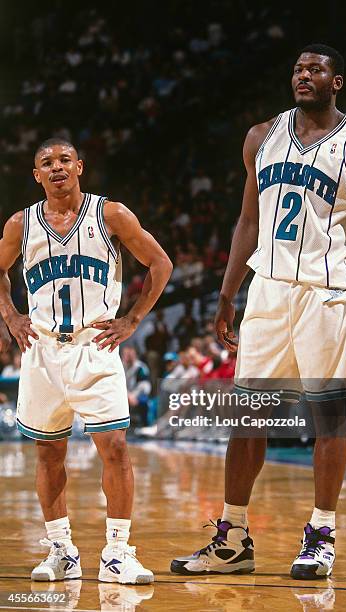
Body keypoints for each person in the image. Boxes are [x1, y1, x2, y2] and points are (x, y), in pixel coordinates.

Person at [171, 44, 346, 579]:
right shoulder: (261, 136)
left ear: (336, 82)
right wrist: (229, 292)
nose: (303, 75)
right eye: (298, 68)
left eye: (315, 69)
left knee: (328, 418)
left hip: (328, 292)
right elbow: (247, 220)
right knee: (246, 421)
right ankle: (232, 541)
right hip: (268, 292)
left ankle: (321, 536)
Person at [0, 138, 172, 584]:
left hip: (95, 347)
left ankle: (118, 553)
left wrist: (132, 320)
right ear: (36, 175)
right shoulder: (22, 223)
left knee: (114, 449)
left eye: (63, 160)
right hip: (42, 351)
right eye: (45, 163)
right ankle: (61, 550)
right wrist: (11, 316)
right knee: (48, 452)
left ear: (80, 166)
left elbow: (160, 263)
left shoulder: (110, 214)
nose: (56, 168)